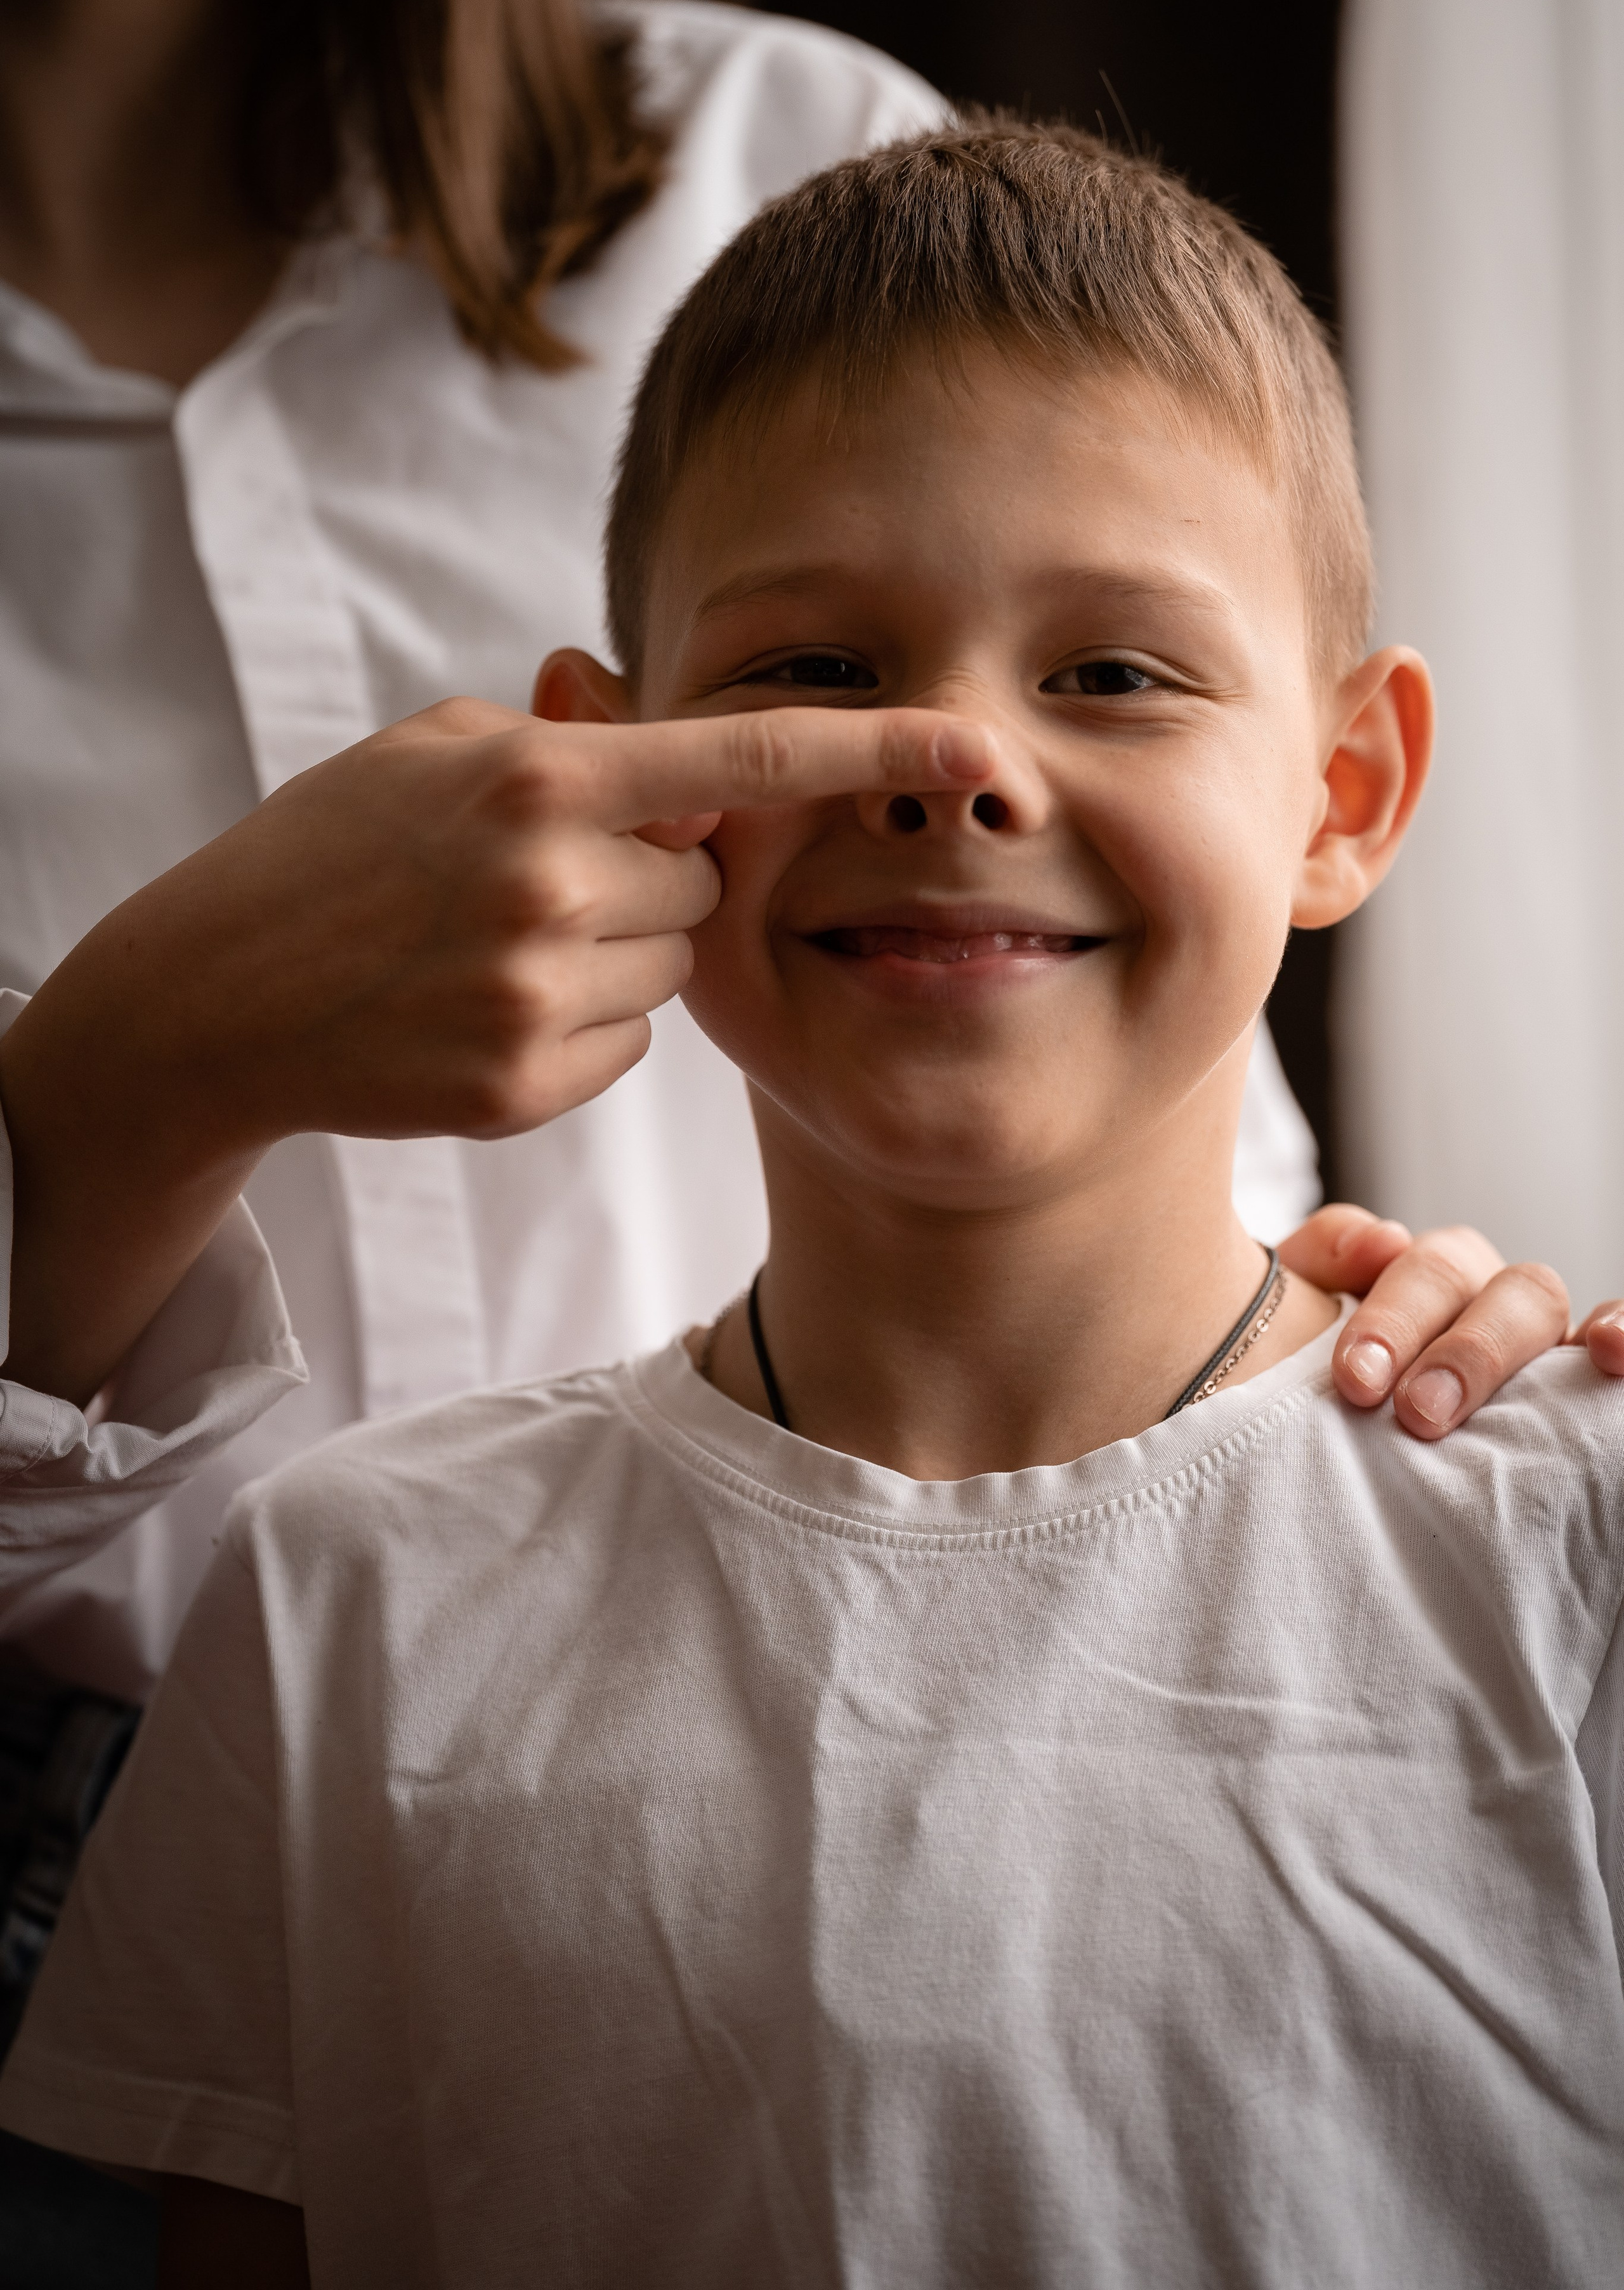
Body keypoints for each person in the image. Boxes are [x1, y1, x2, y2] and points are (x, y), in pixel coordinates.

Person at [9, 119, 1623, 2287]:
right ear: (609, 777)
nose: (951, 755)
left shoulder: (1569, 1544)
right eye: (815, 671)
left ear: (1344, 795)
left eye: (1114, 674)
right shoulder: (347, 1600)